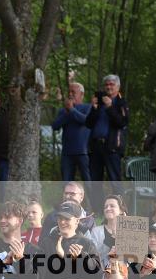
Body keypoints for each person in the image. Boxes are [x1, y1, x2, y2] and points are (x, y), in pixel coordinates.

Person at [38, 200, 99, 279]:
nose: (62, 222)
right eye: (60, 218)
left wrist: (81, 258)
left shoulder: (86, 244)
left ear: (77, 221)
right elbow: (40, 275)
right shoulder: (47, 242)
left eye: (67, 219)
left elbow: (95, 277)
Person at [85, 74, 128, 208]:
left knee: (115, 181)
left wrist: (110, 107)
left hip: (112, 147)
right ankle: (98, 210)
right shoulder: (99, 102)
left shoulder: (121, 103)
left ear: (118, 87)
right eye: (106, 84)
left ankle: (121, 211)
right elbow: (88, 123)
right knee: (95, 181)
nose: (108, 87)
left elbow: (122, 122)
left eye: (111, 84)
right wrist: (94, 108)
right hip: (96, 146)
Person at [52, 82, 92, 184]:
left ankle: (91, 196)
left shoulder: (88, 107)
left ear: (81, 94)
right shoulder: (63, 111)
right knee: (66, 183)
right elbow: (55, 126)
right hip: (67, 153)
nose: (70, 94)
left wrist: (72, 110)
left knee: (88, 182)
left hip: (83, 152)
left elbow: (86, 121)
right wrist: (67, 111)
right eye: (69, 92)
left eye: (73, 92)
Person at [86, 194, 126, 268]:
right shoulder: (96, 231)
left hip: (126, 272)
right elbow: (92, 256)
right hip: (103, 271)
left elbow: (134, 259)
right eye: (105, 207)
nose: (108, 208)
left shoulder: (129, 232)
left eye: (112, 206)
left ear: (121, 210)